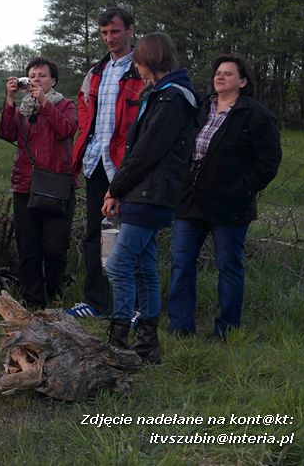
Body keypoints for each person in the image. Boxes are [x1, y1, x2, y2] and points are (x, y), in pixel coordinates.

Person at [167, 54, 282, 341]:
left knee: (228, 266)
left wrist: (243, 189)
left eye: (228, 74)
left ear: (242, 82)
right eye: (218, 72)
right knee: (182, 263)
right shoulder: (201, 108)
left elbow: (268, 162)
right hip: (191, 200)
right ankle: (180, 326)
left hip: (230, 205)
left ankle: (226, 329)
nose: (220, 77)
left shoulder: (255, 115)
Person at [102, 33, 200, 364]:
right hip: (142, 193)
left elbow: (147, 152)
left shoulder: (173, 99)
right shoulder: (161, 95)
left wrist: (115, 187)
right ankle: (147, 345)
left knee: (118, 265)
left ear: (150, 61)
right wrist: (120, 191)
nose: (137, 69)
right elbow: (140, 151)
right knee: (144, 268)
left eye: (139, 62)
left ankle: (119, 342)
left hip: (151, 194)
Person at [67, 7, 144, 319]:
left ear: (130, 30)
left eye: (115, 31)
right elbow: (85, 110)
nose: (109, 38)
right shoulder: (95, 72)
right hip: (95, 161)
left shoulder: (142, 70)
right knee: (95, 233)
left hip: (127, 165)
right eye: (104, 33)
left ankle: (136, 305)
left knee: (131, 236)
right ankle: (96, 301)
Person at [0, 58, 77, 308]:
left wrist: (43, 102)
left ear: (53, 80)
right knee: (28, 247)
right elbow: (6, 134)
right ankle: (33, 301)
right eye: (32, 76)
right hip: (25, 184)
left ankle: (53, 295)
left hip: (57, 184)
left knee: (54, 246)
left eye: (42, 76)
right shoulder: (22, 109)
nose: (36, 80)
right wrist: (9, 100)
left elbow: (66, 130)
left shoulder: (66, 105)